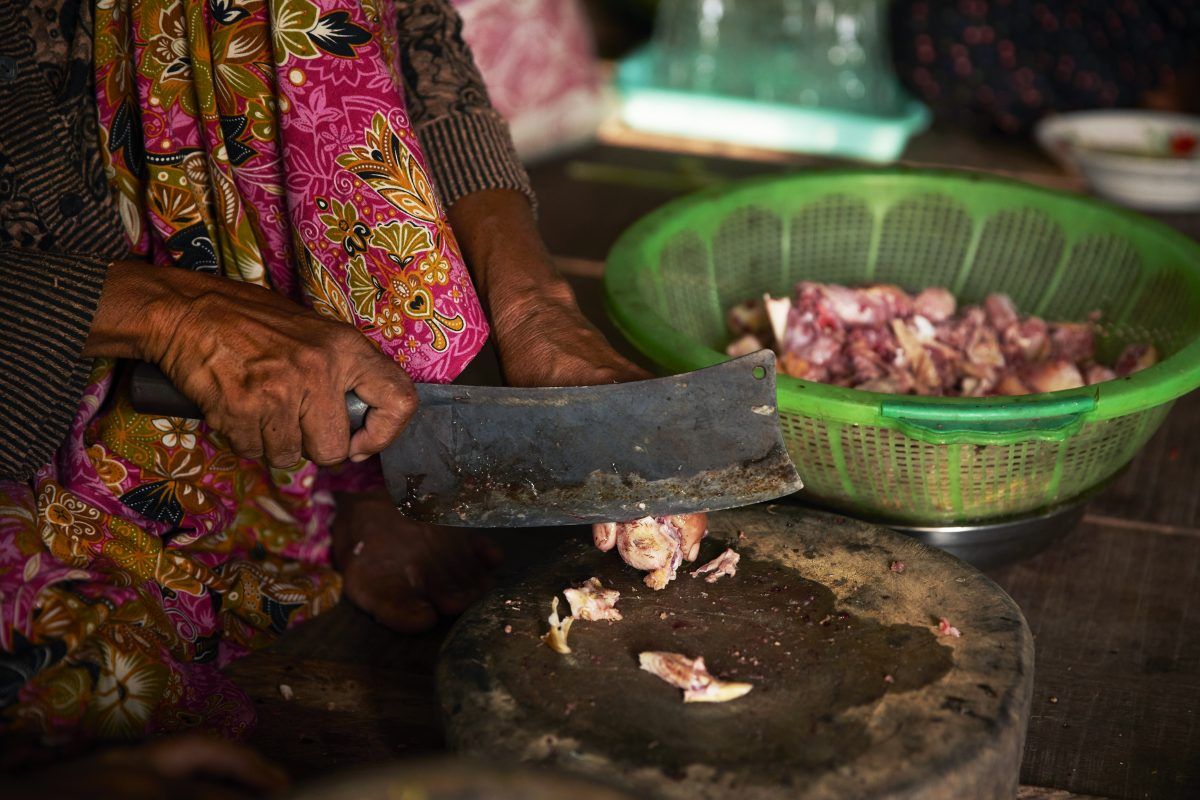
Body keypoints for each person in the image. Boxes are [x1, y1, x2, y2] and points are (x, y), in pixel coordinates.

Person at [0, 0, 706, 771]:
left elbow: (406, 32)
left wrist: (535, 307)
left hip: (285, 386)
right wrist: (175, 317)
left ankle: (346, 471)